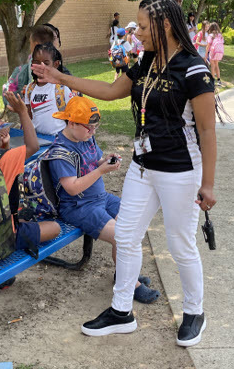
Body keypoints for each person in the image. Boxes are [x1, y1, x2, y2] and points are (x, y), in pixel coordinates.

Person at [32, 0, 217, 347]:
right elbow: (109, 90)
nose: (137, 33)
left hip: (181, 171)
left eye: (143, 27)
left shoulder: (194, 69)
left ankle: (194, 312)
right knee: (128, 237)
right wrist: (58, 76)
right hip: (143, 167)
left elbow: (207, 131)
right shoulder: (146, 61)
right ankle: (121, 312)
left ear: (165, 25)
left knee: (180, 244)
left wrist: (207, 183)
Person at [48, 96, 160, 303]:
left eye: (96, 127)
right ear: (71, 123)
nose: (93, 132)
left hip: (101, 198)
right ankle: (130, 285)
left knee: (133, 224)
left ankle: (124, 274)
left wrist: (105, 161)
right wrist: (101, 171)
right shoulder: (60, 152)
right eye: (89, 128)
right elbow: (72, 188)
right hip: (79, 206)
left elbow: (94, 161)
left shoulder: (84, 137)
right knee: (121, 236)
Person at [0, 92, 60, 268]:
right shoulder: (4, 158)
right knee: (55, 228)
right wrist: (22, 112)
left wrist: (4, 146)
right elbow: (33, 146)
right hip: (3, 236)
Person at [22, 42, 76, 136]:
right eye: (36, 62)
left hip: (59, 139)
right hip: (38, 138)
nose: (41, 66)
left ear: (56, 64)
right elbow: (29, 114)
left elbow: (73, 116)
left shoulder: (62, 89)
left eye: (46, 63)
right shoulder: (30, 89)